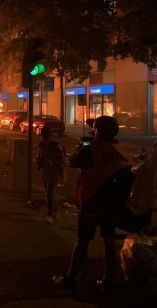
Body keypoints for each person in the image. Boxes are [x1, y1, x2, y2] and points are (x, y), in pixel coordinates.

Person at [54, 116, 131, 293]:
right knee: (109, 242)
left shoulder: (91, 149)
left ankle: (70, 278)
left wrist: (81, 148)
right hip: (112, 204)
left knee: (82, 242)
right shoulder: (119, 148)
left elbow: (73, 161)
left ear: (98, 130)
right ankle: (108, 280)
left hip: (92, 201)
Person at [37, 125, 65, 224]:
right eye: (43, 136)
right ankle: (55, 211)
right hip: (45, 172)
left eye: (46, 136)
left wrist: (52, 162)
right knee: (49, 192)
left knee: (49, 192)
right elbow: (39, 156)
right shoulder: (41, 145)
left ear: (50, 136)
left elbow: (62, 160)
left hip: (54, 172)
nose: (44, 138)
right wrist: (40, 161)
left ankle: (50, 215)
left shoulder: (55, 146)